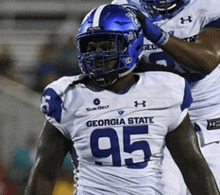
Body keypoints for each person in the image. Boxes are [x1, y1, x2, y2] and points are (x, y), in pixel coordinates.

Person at [24, 4, 220, 195]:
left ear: (132, 44)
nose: (97, 54)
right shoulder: (67, 95)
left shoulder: (166, 91)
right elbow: (44, 173)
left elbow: (193, 169)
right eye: (90, 47)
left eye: (106, 45)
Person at [111, 0, 220, 194]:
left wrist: (156, 34)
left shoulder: (210, 5)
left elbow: (207, 60)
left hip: (212, 130)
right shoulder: (124, 7)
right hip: (161, 134)